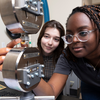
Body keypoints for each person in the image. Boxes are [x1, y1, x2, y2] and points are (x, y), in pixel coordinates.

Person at [1, 5, 100, 100]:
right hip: (89, 84)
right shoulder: (67, 56)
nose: (74, 40)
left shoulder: (61, 56)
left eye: (83, 33)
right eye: (69, 35)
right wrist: (20, 65)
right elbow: (50, 94)